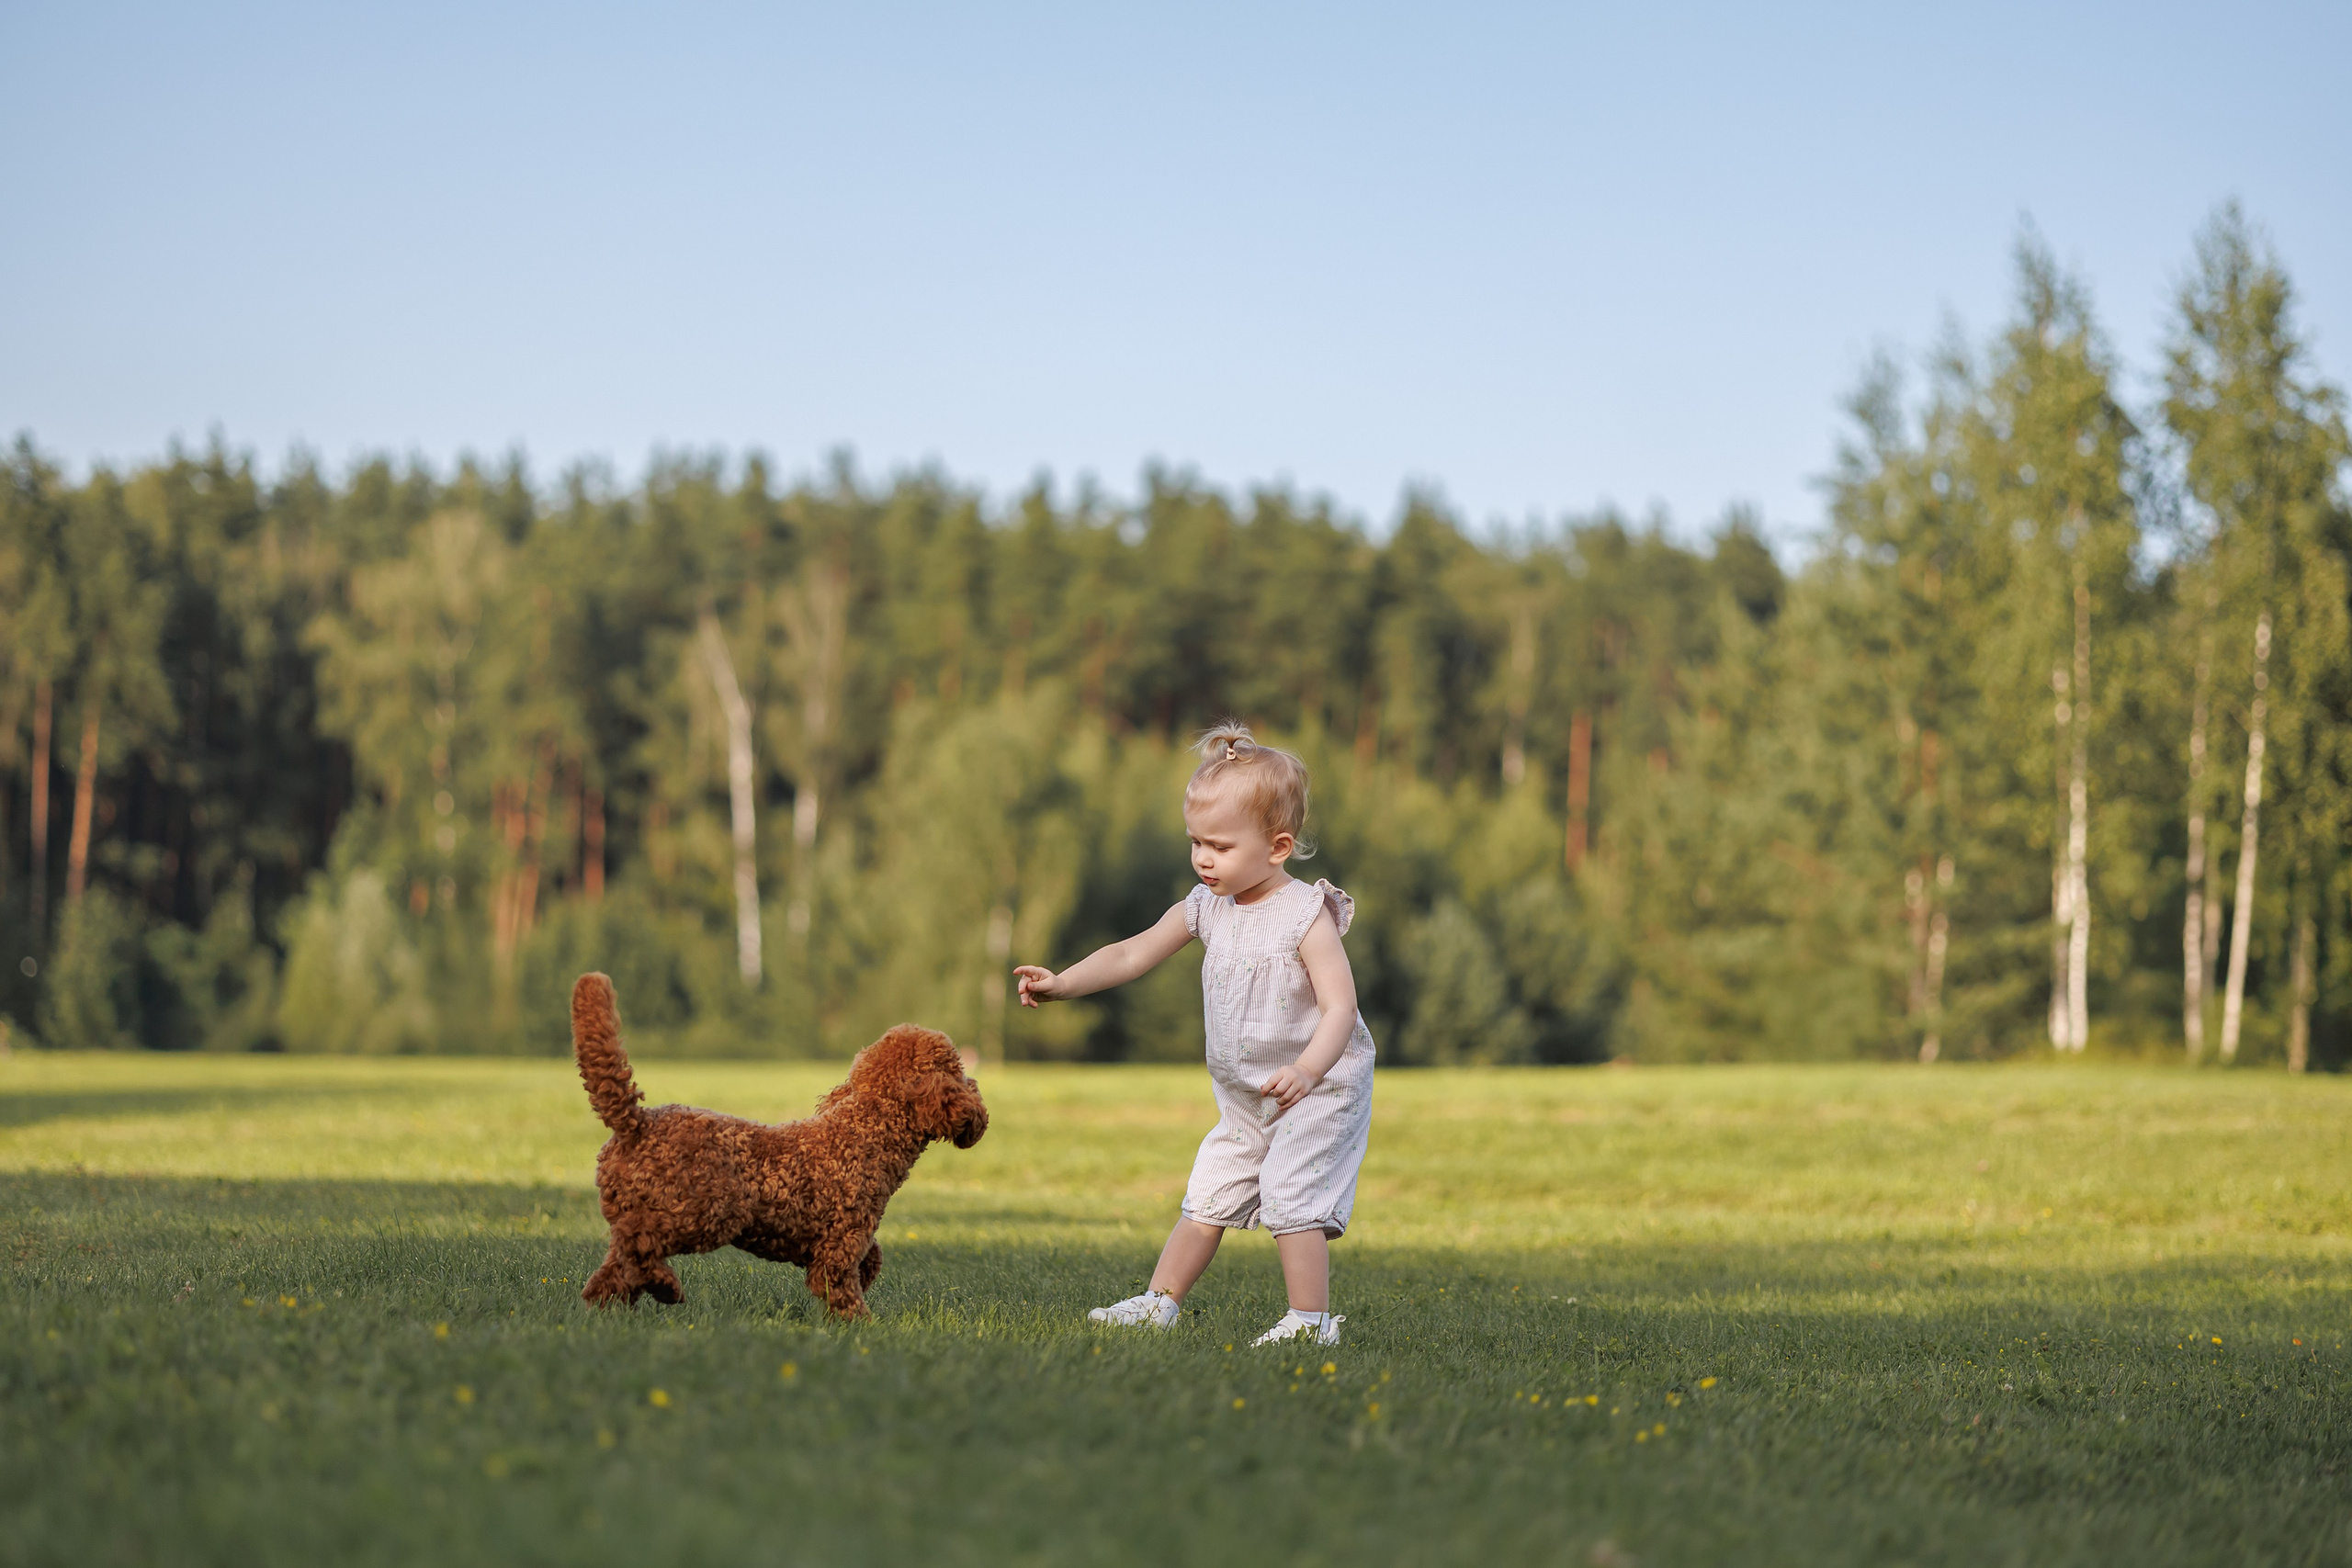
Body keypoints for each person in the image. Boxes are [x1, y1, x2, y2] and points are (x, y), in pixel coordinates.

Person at [1013, 722, 1375, 1347]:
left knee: (1290, 1191)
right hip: (1246, 1093)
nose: (1204, 858)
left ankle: (1311, 1323)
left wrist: (1310, 1070)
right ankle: (1159, 1302)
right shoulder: (1207, 906)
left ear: (1277, 845)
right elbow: (1132, 953)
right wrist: (1063, 983)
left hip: (1318, 1085)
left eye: (1220, 845)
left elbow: (1340, 1006)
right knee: (1207, 1191)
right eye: (1196, 843)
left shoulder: (1304, 915)